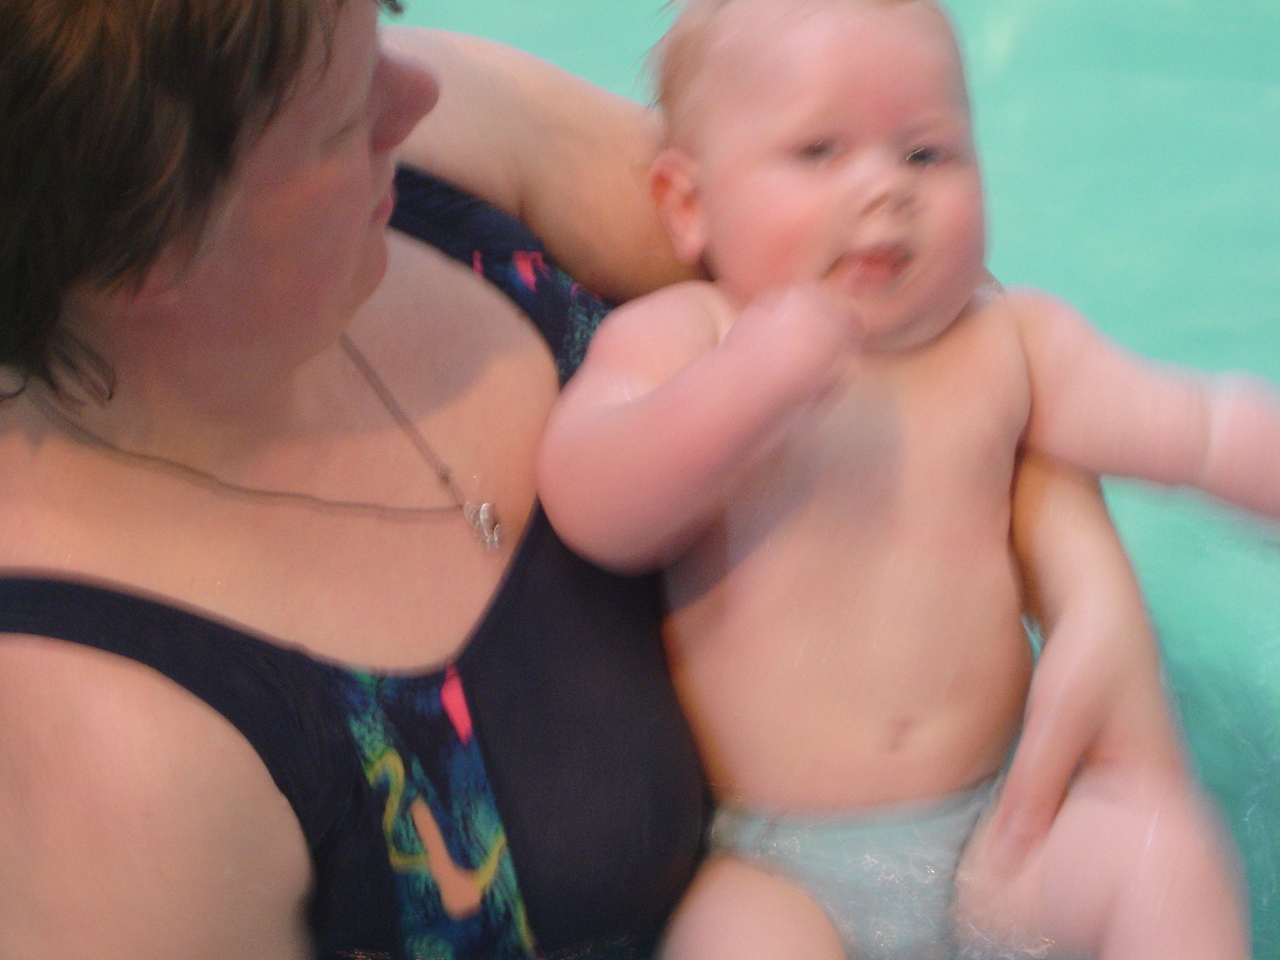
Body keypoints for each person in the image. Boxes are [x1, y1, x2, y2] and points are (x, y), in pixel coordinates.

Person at [0, 2, 1216, 959]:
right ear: (153, 244)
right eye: (338, 126)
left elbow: (895, 269)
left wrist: (1082, 580)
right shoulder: (105, 759)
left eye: (374, 33)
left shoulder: (416, 124)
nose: (411, 96)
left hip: (1006, 823)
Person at [536, 0, 1272, 956]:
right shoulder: (687, 339)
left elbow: (1192, 427)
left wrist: (1240, 452)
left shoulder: (1008, 340)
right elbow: (588, 499)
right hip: (782, 867)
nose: (886, 187)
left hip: (1006, 838)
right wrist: (740, 391)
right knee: (732, 940)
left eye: (927, 153)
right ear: (689, 205)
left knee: (1165, 853)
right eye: (818, 152)